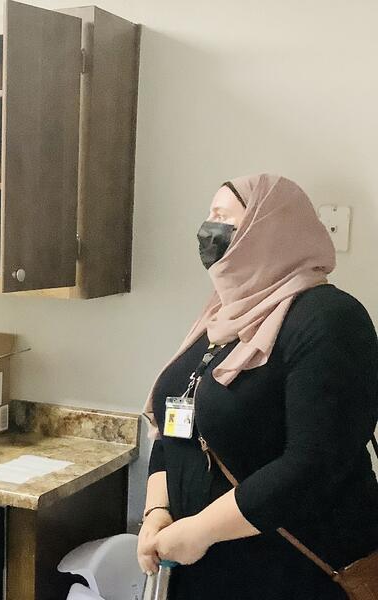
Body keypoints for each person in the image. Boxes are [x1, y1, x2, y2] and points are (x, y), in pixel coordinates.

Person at [137, 174, 378, 599]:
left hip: (295, 573)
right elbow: (178, 425)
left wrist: (201, 531)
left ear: (268, 229)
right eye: (208, 214)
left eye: (224, 217)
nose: (208, 229)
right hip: (203, 570)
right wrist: (157, 510)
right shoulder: (222, 317)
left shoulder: (330, 319)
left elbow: (314, 464)